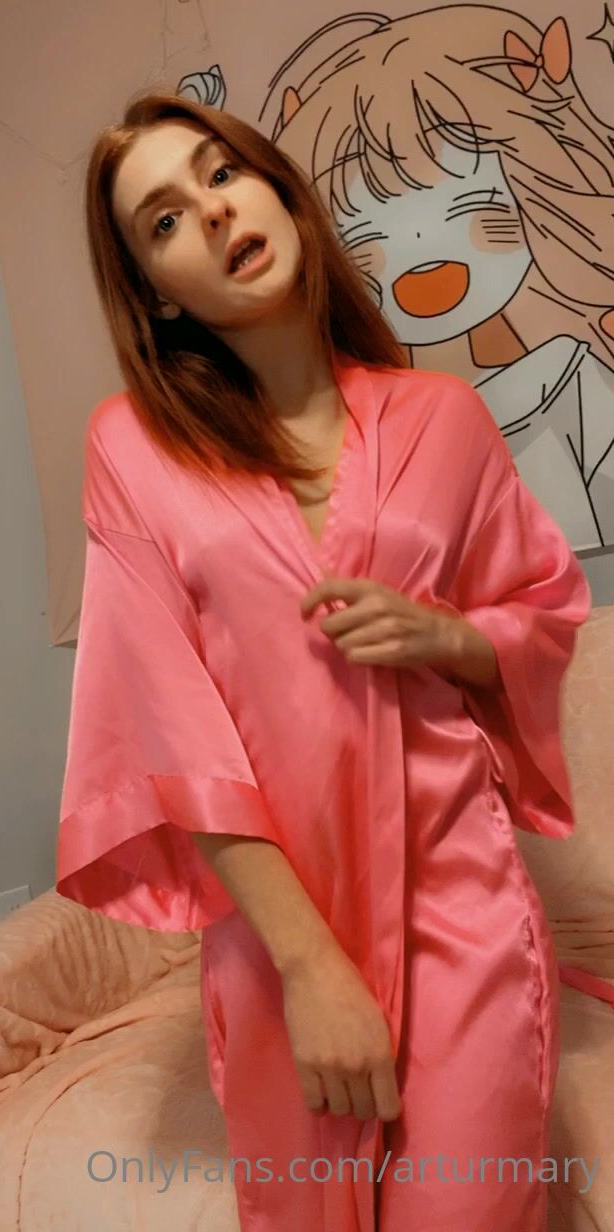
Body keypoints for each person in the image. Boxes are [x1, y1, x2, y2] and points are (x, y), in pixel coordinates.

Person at [55, 89, 592, 1231]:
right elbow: (170, 731)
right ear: (156, 290)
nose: (210, 211)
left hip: (462, 905)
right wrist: (307, 967)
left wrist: (450, 635)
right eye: (162, 219)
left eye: (221, 173)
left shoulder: (443, 417)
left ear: (278, 192)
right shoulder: (133, 452)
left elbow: (540, 607)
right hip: (274, 942)